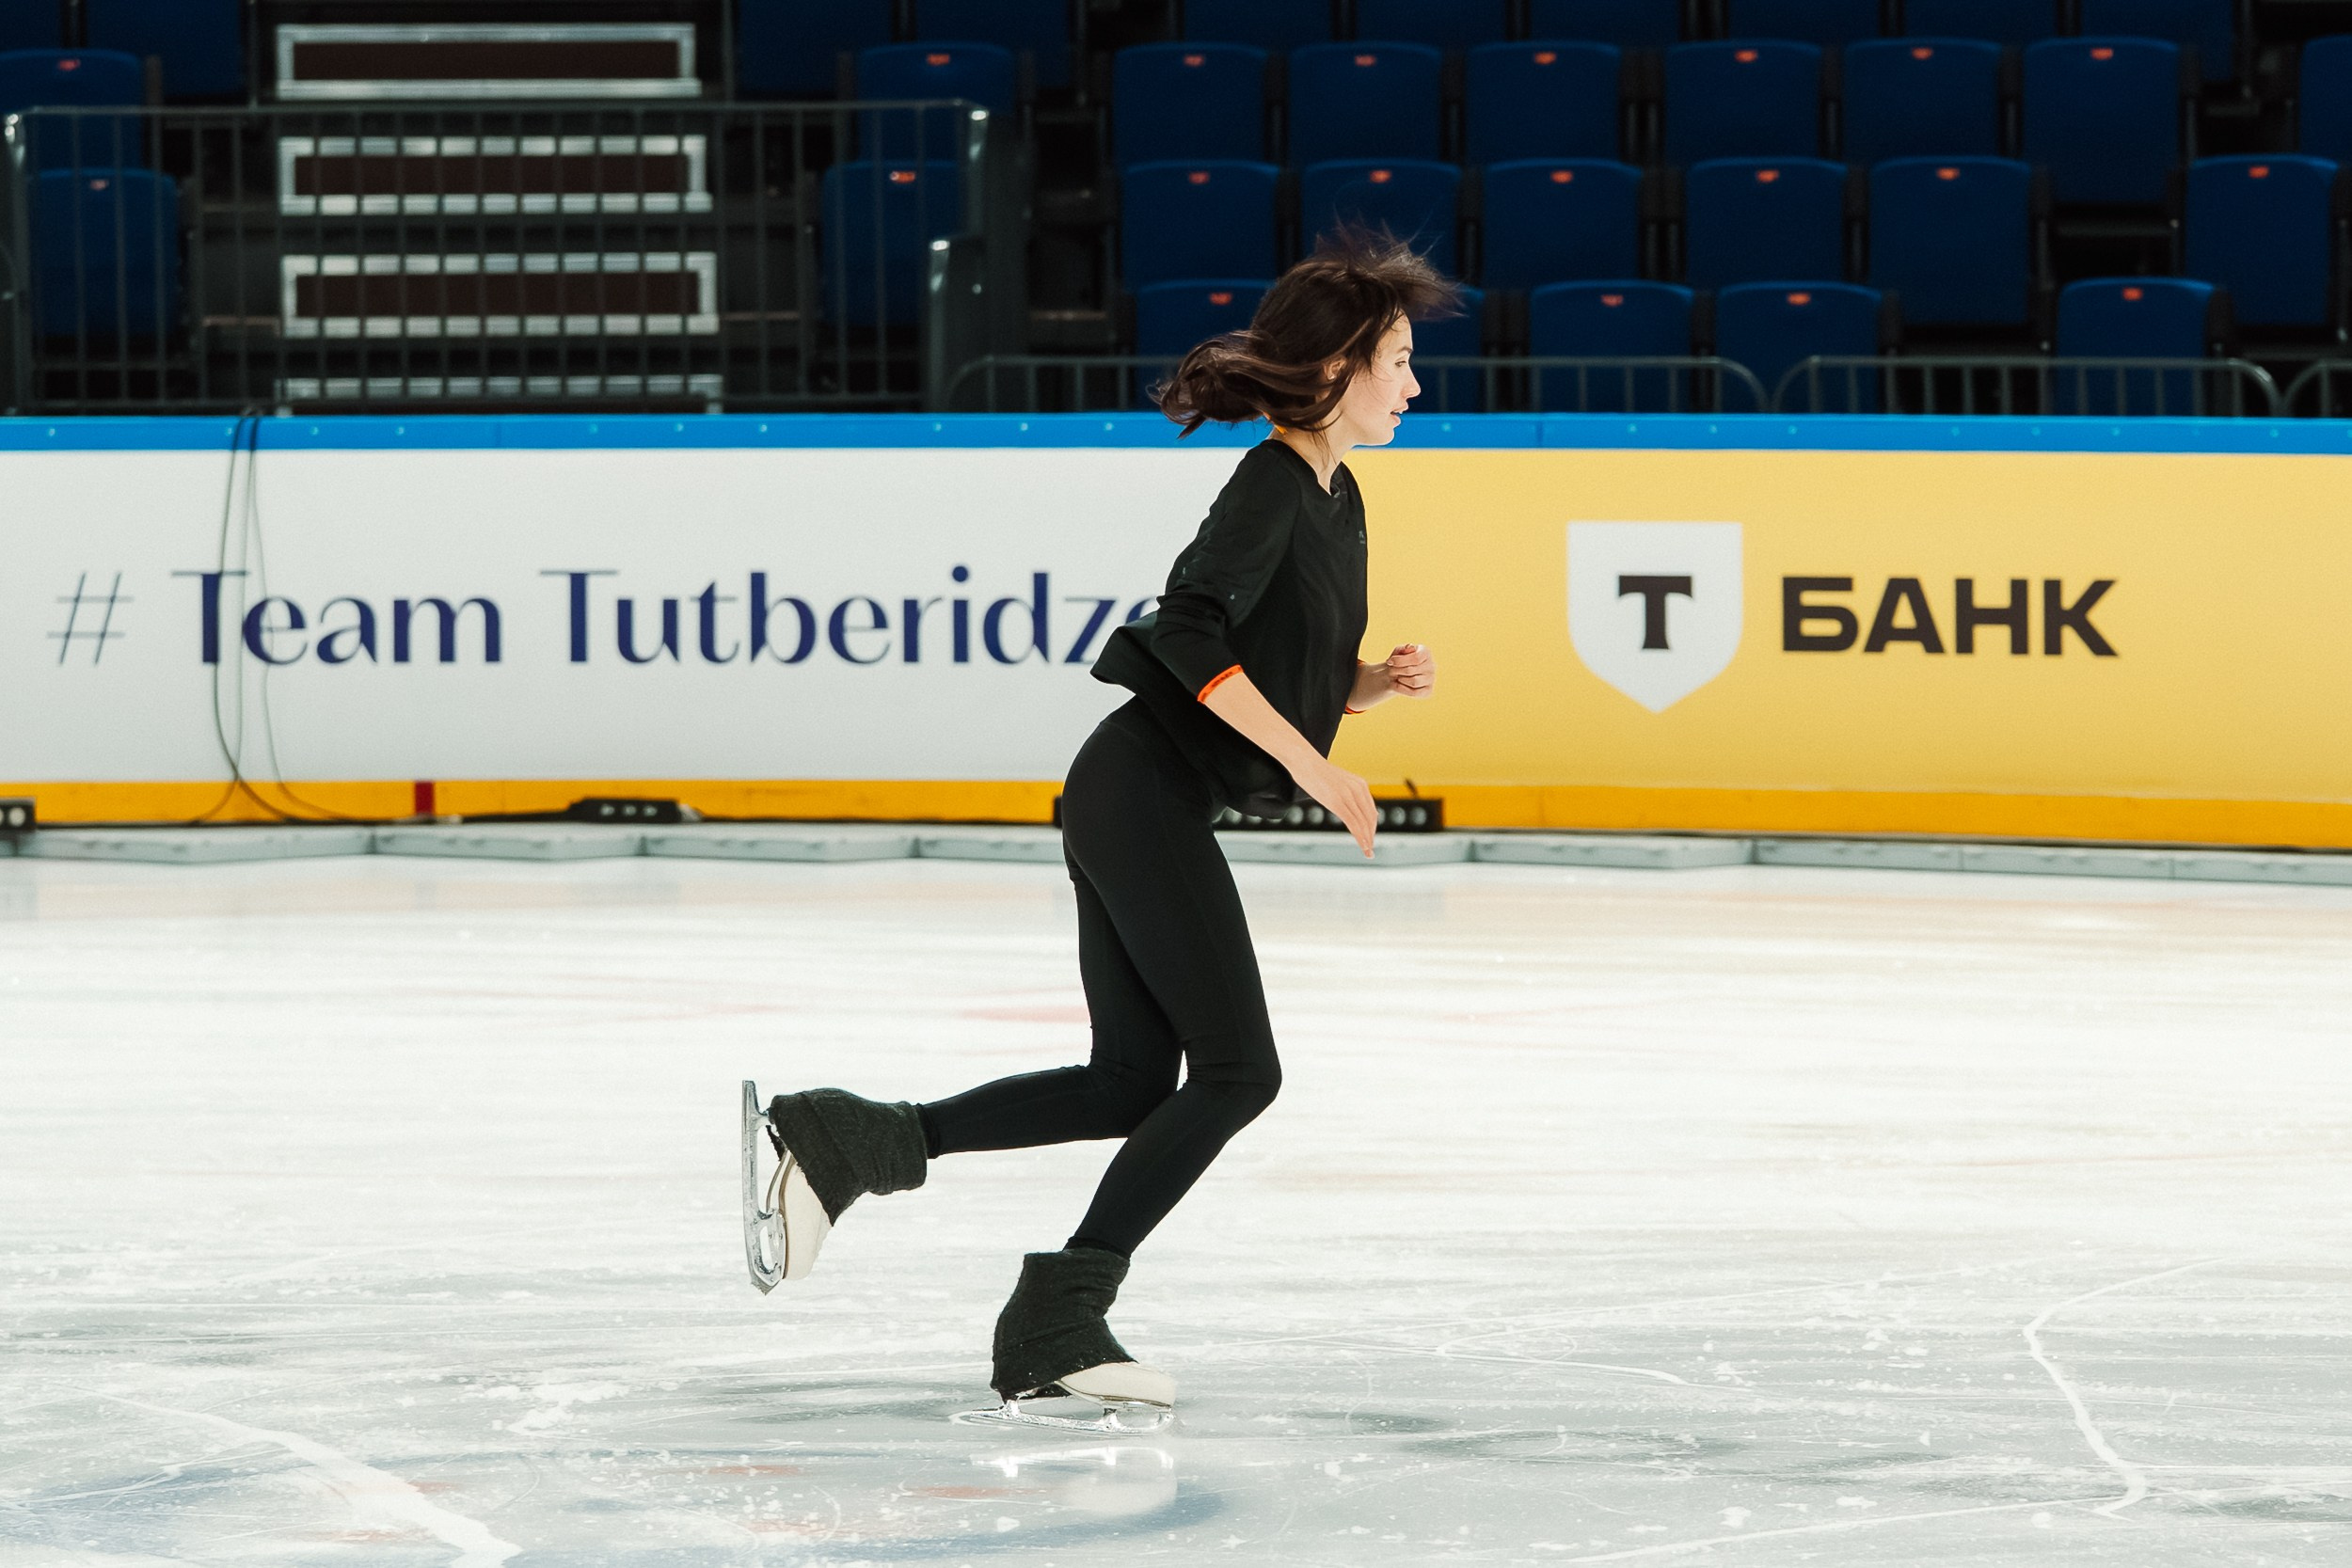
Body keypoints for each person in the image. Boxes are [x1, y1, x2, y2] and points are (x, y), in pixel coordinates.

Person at [755, 230, 1455, 1418]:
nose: (1413, 382)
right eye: (1394, 358)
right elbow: (1185, 635)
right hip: (1141, 792)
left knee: (1134, 1081)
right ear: (1332, 368)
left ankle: (853, 1139)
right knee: (1238, 1070)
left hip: (1142, 796)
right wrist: (1316, 769)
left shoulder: (1341, 498)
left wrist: (1367, 683)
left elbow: (1285, 661)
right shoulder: (1270, 480)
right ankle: (1059, 1315)